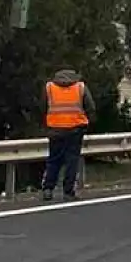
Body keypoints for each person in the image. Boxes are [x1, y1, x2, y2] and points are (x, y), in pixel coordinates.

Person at [40, 68, 95, 201]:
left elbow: (42, 107)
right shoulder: (80, 87)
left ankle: (48, 189)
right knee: (72, 161)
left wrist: (47, 124)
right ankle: (68, 192)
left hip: (55, 129)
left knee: (53, 160)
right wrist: (88, 122)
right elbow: (90, 107)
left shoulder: (49, 87)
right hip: (75, 129)